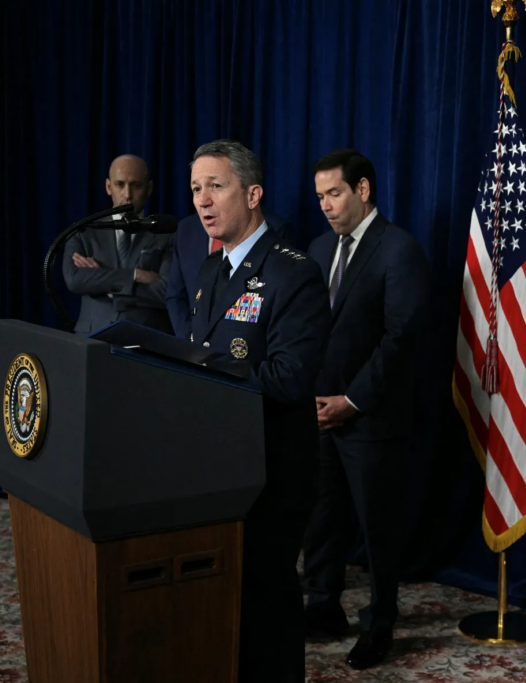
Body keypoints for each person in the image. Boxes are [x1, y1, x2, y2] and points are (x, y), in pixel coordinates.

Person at [187, 139, 330, 683]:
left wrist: (202, 369)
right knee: (226, 603)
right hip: (213, 464)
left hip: (271, 471)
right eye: (196, 188)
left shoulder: (294, 272)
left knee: (266, 604)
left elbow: (290, 377)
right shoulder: (210, 270)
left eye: (215, 186)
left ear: (252, 194)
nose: (203, 200)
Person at [301, 149, 429, 670]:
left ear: (363, 190)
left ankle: (380, 624)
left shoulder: (399, 249)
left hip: (371, 417)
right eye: (320, 197)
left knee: (378, 528)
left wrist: (351, 402)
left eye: (334, 193)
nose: (326, 206)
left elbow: (402, 339)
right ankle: (323, 607)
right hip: (317, 412)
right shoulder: (317, 248)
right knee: (321, 518)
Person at [63, 154, 173, 334]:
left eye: (135, 186)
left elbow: (166, 291)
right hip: (92, 337)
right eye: (120, 185)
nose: (127, 195)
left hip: (146, 338)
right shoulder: (84, 231)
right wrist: (135, 275)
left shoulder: (166, 234)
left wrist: (102, 280)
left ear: (149, 188)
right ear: (109, 187)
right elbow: (75, 279)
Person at [167, 203, 292, 341]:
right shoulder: (185, 229)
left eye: (217, 190)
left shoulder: (275, 227)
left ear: (252, 195)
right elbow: (175, 295)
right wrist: (190, 343)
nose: (203, 200)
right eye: (196, 191)